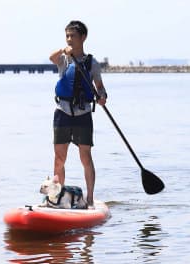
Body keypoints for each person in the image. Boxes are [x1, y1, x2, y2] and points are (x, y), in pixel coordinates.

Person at [49, 20, 107, 208]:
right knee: (59, 157)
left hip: (83, 114)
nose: (69, 39)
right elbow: (51, 57)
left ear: (83, 37)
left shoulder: (92, 63)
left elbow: (100, 87)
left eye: (73, 36)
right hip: (63, 112)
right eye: (67, 36)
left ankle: (89, 199)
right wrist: (62, 50)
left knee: (85, 157)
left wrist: (102, 96)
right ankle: (56, 198)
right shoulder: (63, 59)